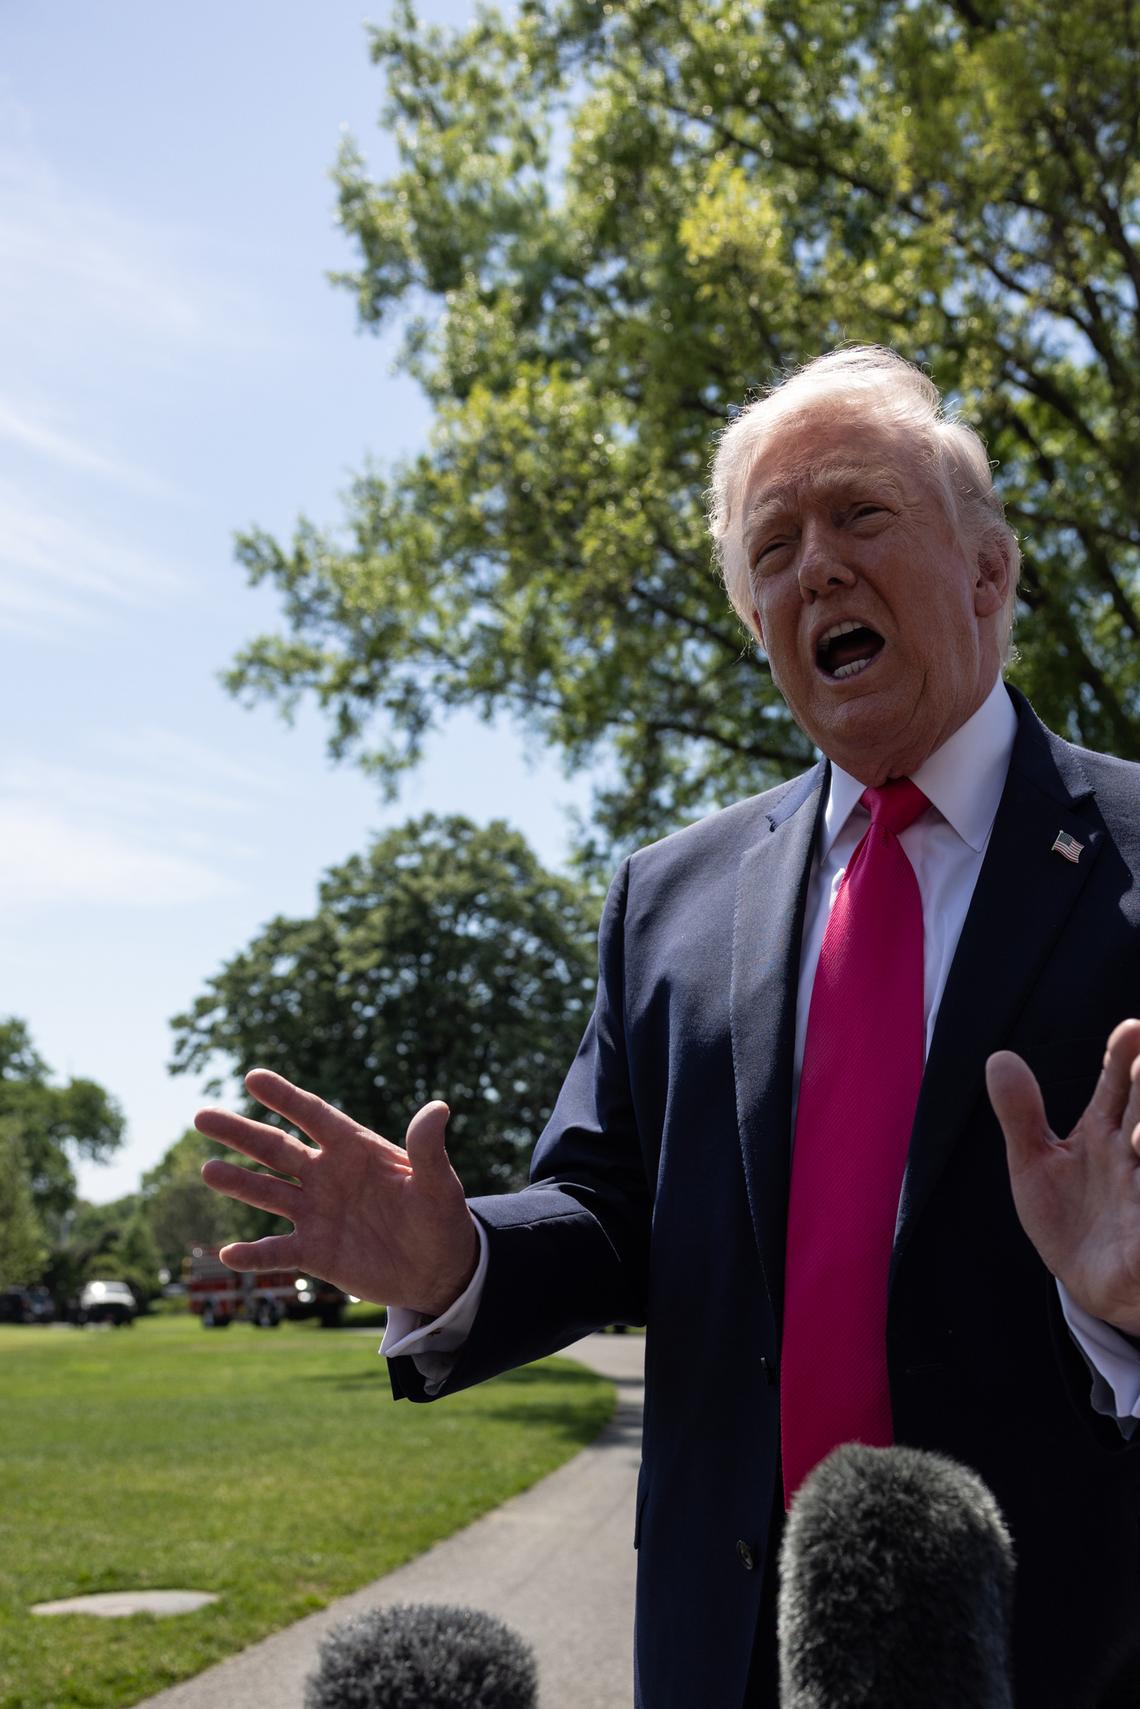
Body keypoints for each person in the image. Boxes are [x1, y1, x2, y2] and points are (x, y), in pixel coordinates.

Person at [198, 348, 1140, 1708]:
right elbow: (605, 1208)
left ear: (987, 572)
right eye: (773, 546)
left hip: (1055, 1642)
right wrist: (459, 1254)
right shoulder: (669, 896)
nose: (813, 565)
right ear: (760, 622)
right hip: (722, 1644)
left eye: (860, 514)